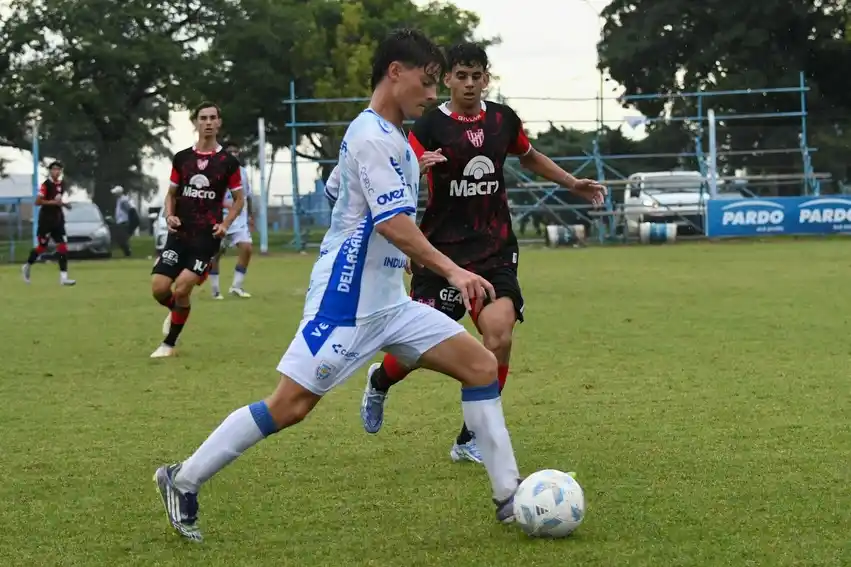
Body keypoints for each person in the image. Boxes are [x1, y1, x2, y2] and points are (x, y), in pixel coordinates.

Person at [154, 29, 524, 543]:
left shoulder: (388, 135)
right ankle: (182, 477)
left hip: (390, 301)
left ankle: (511, 496)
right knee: (290, 406)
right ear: (395, 72)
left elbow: (338, 188)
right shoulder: (374, 136)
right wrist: (455, 269)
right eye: (428, 80)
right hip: (345, 301)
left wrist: (404, 169)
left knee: (482, 365)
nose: (433, 93)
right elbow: (393, 224)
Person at [357, 42, 606, 463]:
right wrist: (418, 167)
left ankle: (469, 437)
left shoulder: (502, 120)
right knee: (415, 348)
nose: (469, 84)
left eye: (477, 76)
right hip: (443, 253)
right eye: (460, 76)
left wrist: (572, 183)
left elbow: (530, 157)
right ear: (448, 79)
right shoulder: (427, 124)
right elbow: (397, 179)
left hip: (494, 250)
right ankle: (380, 381)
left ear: (486, 79)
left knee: (499, 336)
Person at [149, 102, 245, 358]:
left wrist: (225, 224)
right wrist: (170, 215)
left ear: (219, 122)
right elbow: (171, 194)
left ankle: (169, 344)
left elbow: (239, 199)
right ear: (195, 122)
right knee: (159, 288)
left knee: (181, 289)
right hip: (179, 235)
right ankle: (176, 312)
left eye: (213, 117)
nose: (208, 122)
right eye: (203, 118)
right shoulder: (182, 158)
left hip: (207, 238)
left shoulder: (228, 162)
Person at [208, 141, 254, 299]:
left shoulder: (243, 173)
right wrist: (223, 203)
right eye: (230, 153)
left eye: (236, 152)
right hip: (220, 218)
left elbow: (247, 196)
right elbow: (209, 196)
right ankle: (215, 289)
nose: (234, 155)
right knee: (215, 253)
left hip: (239, 220)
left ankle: (237, 286)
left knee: (246, 248)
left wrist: (250, 216)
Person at [21, 161, 76, 286]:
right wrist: (53, 202)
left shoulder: (62, 184)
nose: (56, 172)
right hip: (46, 221)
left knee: (62, 247)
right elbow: (38, 201)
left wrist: (65, 204)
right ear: (50, 171)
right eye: (54, 169)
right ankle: (27, 265)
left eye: (58, 169)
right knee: (41, 248)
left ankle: (63, 278)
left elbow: (60, 200)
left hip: (58, 220)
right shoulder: (46, 185)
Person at [111, 185, 139, 257]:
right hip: (120, 222)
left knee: (121, 238)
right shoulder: (120, 200)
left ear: (119, 193)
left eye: (115, 193)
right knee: (120, 238)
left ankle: (128, 252)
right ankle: (127, 252)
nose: (114, 195)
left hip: (124, 222)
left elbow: (129, 210)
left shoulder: (123, 201)